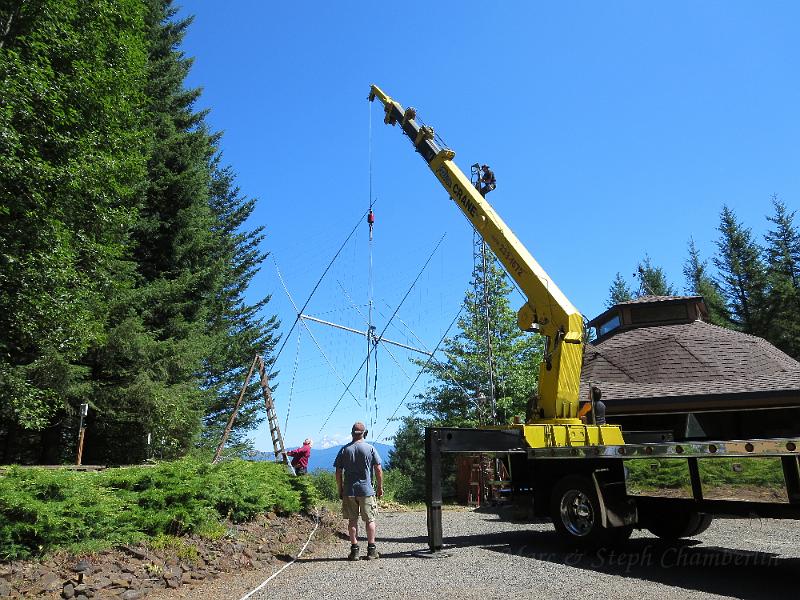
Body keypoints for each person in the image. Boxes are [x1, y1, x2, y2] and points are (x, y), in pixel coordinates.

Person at [334, 422, 383, 561]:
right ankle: (371, 550)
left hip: (349, 490)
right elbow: (378, 469)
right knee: (370, 520)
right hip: (366, 490)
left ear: (352, 433)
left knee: (352, 521)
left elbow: (338, 472)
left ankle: (354, 551)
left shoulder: (344, 450)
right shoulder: (370, 448)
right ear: (364, 433)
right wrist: (379, 487)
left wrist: (340, 488)